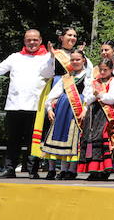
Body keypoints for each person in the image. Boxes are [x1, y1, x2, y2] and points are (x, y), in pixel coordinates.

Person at [0, 29, 55, 178]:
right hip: (14, 105)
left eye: (35, 40)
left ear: (40, 40)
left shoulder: (47, 57)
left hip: (35, 106)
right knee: (12, 139)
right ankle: (9, 169)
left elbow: (49, 73)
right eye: (29, 40)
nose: (32, 42)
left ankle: (32, 171)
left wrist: (52, 56)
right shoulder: (15, 57)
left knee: (34, 141)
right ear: (24, 41)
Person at [32, 26, 92, 179]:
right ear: (61, 37)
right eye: (69, 35)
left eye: (74, 35)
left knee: (70, 133)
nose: (72, 38)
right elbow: (44, 73)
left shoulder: (82, 59)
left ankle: (68, 169)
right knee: (52, 129)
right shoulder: (54, 54)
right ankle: (50, 167)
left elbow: (89, 76)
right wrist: (52, 57)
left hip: (75, 98)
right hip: (59, 91)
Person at [42, 50, 90, 179]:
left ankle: (71, 170)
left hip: (75, 111)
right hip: (61, 111)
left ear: (83, 60)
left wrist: (85, 109)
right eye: (72, 60)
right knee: (58, 138)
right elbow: (53, 94)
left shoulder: (87, 77)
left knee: (72, 140)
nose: (75, 62)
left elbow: (88, 96)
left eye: (77, 60)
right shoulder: (66, 77)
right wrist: (49, 109)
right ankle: (56, 169)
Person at [77, 58, 114, 180]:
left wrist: (99, 95)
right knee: (91, 139)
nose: (102, 72)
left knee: (102, 139)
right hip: (93, 112)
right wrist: (95, 97)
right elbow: (87, 97)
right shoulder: (94, 81)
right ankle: (93, 169)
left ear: (111, 70)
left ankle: (104, 169)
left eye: (105, 69)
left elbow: (112, 98)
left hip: (106, 113)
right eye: (100, 69)